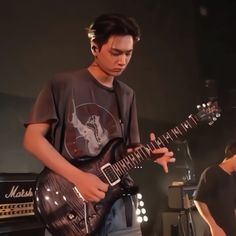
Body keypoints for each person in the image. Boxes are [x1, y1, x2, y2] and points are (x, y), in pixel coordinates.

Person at [23, 13, 175, 236]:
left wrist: (148, 154)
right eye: (115, 53)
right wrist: (80, 178)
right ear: (95, 47)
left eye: (128, 53)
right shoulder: (63, 84)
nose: (122, 61)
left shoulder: (127, 94)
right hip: (70, 202)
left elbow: (128, 150)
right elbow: (32, 140)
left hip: (120, 206)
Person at [194, 141, 236, 236]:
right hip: (216, 231)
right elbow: (199, 201)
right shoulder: (212, 172)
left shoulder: (233, 176)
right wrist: (214, 227)